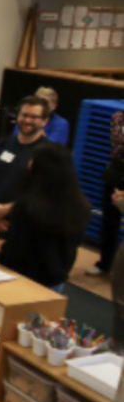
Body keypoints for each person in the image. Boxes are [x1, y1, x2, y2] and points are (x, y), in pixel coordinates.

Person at [0, 144, 90, 293]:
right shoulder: (81, 205)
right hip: (56, 280)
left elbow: (13, 251)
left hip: (24, 281)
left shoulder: (27, 207)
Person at [0, 96, 50, 262]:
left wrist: (6, 210)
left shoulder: (48, 153)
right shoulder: (2, 144)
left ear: (45, 121)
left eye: (34, 117)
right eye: (24, 115)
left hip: (24, 228)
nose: (27, 120)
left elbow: (43, 193)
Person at [89, 110, 124, 277]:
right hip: (117, 171)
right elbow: (120, 143)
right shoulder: (118, 117)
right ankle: (105, 264)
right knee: (110, 220)